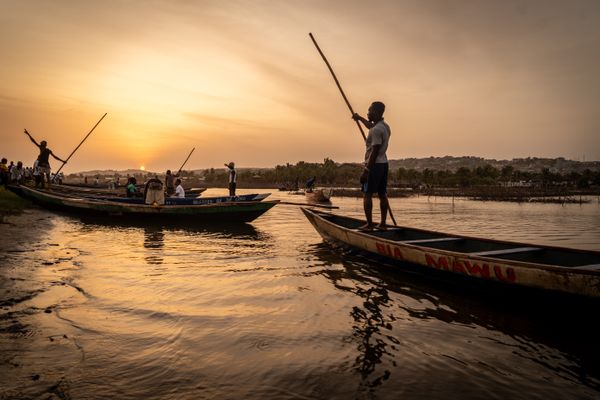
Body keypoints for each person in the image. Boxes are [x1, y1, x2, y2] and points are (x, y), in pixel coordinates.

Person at [352, 101, 391, 231]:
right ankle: (383, 224)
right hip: (384, 164)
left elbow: (374, 151)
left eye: (369, 111)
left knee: (367, 194)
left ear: (376, 112)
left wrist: (366, 170)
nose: (368, 113)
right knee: (382, 194)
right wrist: (359, 118)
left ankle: (369, 225)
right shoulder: (384, 126)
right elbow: (370, 126)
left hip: (374, 165)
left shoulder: (376, 130)